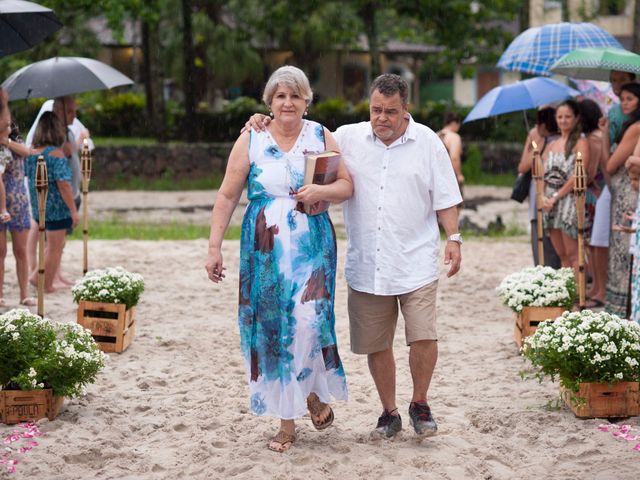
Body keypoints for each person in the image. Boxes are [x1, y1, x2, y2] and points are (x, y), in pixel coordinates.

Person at [246, 73, 462, 438]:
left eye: (391, 112)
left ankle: (420, 403)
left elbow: (445, 195)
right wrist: (264, 119)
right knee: (376, 343)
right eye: (376, 109)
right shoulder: (346, 137)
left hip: (417, 259)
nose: (382, 118)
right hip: (368, 262)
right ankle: (389, 412)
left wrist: (453, 237)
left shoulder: (427, 141)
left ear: (405, 109)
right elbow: (299, 128)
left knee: (423, 335)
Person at [204, 66, 353, 453]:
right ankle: (287, 422)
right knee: (274, 329)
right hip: (264, 249)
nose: (288, 103)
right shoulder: (252, 137)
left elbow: (346, 185)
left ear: (307, 100)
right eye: (280, 96)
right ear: (269, 102)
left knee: (308, 320)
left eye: (296, 95)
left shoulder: (320, 135)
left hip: (312, 246)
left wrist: (321, 189)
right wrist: (213, 246)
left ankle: (311, 393)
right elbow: (226, 196)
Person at [25, 112, 79, 293]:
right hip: (57, 207)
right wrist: (73, 210)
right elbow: (64, 184)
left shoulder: (32, 153)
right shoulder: (56, 154)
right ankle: (41, 281)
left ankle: (42, 280)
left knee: (51, 246)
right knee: (55, 247)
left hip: (39, 204)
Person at [600, 82, 640, 317]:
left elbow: (611, 164)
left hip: (628, 193)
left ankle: (622, 308)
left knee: (623, 250)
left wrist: (606, 136)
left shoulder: (635, 128)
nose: (624, 103)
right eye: (622, 98)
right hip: (627, 190)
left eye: (629, 98)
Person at [541, 100, 589, 273]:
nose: (563, 120)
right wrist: (543, 197)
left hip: (569, 199)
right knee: (561, 253)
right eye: (560, 117)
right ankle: (568, 291)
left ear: (576, 118)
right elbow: (542, 174)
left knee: (573, 252)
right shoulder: (552, 144)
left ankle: (578, 290)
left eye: (568, 117)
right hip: (550, 200)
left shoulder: (580, 142)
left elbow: (578, 174)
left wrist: (556, 196)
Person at [516, 106, 560, 268]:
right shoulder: (563, 142)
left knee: (542, 242)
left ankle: (544, 270)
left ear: (542, 125)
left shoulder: (545, 143)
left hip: (541, 198)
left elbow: (522, 167)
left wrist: (537, 147)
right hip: (557, 198)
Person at [578, 99, 606, 308]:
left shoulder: (593, 139)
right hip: (597, 192)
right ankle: (596, 286)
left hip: (594, 194)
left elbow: (591, 170)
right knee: (591, 244)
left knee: (593, 244)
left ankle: (599, 287)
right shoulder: (595, 136)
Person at [437, 112, 464, 205]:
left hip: (436, 176)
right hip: (449, 177)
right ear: (454, 123)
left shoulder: (435, 135)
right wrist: (459, 175)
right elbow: (454, 157)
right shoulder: (454, 137)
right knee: (455, 206)